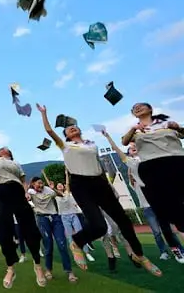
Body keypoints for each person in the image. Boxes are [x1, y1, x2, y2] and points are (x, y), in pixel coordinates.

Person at [37, 103, 161, 276]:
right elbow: (50, 131)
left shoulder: (92, 145)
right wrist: (44, 113)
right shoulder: (66, 147)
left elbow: (99, 166)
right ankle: (77, 242)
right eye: (68, 129)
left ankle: (140, 256)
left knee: (124, 221)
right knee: (99, 226)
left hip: (100, 183)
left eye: (74, 126)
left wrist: (109, 186)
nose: (72, 128)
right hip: (80, 185)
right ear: (65, 136)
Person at [0, 124, 45, 289]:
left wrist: (26, 192)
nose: (1, 150)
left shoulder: (15, 163)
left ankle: (37, 264)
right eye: (0, 149)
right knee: (2, 228)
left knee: (29, 226)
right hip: (0, 191)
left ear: (8, 152)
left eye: (4, 149)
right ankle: (10, 268)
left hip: (16, 191)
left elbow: (23, 180)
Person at [102, 130, 184, 263]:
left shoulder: (150, 159)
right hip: (147, 204)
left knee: (169, 228)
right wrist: (108, 137)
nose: (134, 150)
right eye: (131, 150)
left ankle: (178, 251)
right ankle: (164, 252)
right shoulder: (132, 163)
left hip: (161, 199)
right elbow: (117, 149)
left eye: (135, 148)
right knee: (157, 232)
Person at [121, 102, 184, 234]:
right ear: (133, 114)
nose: (137, 107)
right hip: (152, 166)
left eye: (141, 106)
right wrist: (134, 129)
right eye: (134, 108)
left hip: (176, 161)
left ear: (150, 109)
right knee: (168, 207)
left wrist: (177, 128)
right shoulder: (134, 129)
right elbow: (124, 142)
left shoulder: (165, 124)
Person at [27, 176, 77, 283]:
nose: (40, 185)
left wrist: (53, 188)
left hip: (55, 218)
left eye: (42, 183)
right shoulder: (30, 191)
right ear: (33, 184)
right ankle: (48, 270)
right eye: (38, 183)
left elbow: (60, 195)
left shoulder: (48, 189)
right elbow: (26, 197)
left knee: (62, 244)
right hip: (42, 219)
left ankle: (69, 271)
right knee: (48, 245)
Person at [53, 170, 95, 263]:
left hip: (73, 215)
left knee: (79, 232)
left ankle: (87, 253)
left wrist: (66, 174)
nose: (59, 185)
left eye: (61, 184)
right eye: (58, 185)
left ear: (63, 186)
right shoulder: (56, 196)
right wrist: (46, 177)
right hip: (64, 217)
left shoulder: (67, 193)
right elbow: (53, 189)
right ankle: (76, 253)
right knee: (70, 235)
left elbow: (67, 183)